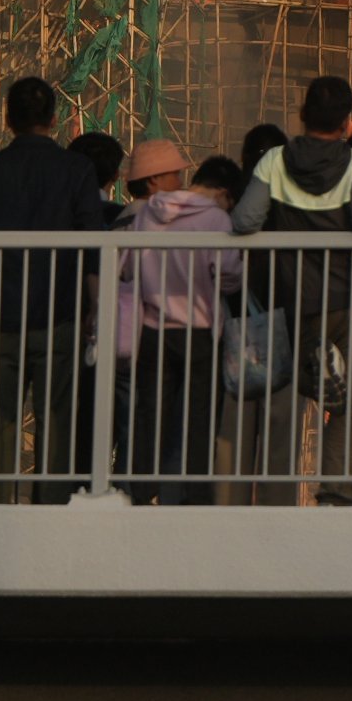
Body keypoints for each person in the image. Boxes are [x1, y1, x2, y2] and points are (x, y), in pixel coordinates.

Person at [0, 75, 115, 501]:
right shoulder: (76, 170)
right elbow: (93, 241)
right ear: (53, 118)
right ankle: (49, 507)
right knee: (56, 418)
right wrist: (93, 306)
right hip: (59, 313)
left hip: (0, 314)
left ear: (9, 120)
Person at [230, 73, 352, 502]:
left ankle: (314, 373)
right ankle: (336, 492)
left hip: (295, 299)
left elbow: (244, 221)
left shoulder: (273, 162)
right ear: (347, 122)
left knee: (294, 380)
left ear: (301, 116)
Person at [116, 140, 235, 506]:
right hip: (199, 331)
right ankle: (193, 498)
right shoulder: (216, 218)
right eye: (174, 172)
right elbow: (230, 274)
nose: (180, 177)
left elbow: (130, 268)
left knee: (150, 416)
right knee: (197, 422)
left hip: (152, 330)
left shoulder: (144, 215)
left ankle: (140, 493)